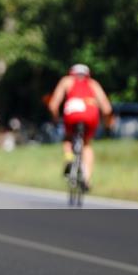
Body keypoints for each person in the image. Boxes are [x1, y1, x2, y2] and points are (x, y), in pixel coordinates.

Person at [47, 63, 113, 191]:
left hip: (72, 112)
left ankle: (69, 159)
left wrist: (55, 118)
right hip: (90, 113)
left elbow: (53, 105)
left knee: (68, 138)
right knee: (87, 144)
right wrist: (107, 124)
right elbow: (107, 108)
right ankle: (87, 180)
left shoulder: (67, 81)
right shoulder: (93, 84)